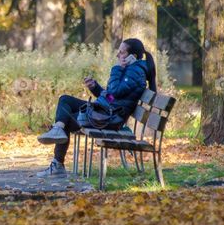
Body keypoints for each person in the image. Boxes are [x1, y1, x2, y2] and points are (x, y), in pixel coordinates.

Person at [35, 38, 157, 177]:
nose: (118, 55)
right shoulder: (132, 70)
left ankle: (57, 163)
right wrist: (96, 88)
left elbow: (114, 92)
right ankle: (57, 130)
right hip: (106, 111)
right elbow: (113, 98)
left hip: (110, 118)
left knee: (67, 120)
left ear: (132, 57)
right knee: (65, 100)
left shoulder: (134, 72)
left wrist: (117, 68)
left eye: (121, 52)